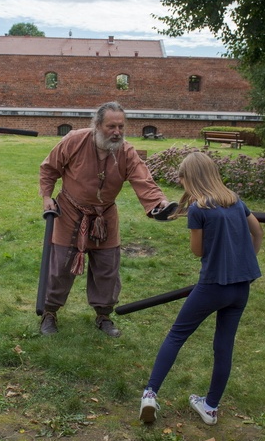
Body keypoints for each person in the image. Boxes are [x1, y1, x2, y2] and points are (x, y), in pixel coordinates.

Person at [139, 151, 263, 426]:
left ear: (190, 179)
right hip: (241, 289)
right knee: (224, 346)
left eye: (181, 180)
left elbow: (197, 251)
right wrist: (246, 262)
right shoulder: (235, 201)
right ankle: (211, 407)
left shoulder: (198, 209)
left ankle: (150, 393)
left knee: (176, 335)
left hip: (212, 287)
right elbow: (258, 232)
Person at [38, 101, 171, 337]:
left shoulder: (126, 151)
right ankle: (49, 313)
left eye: (121, 126)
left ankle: (103, 316)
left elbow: (143, 179)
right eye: (111, 126)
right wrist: (47, 196)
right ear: (98, 125)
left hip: (105, 216)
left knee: (107, 268)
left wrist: (158, 203)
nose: (117, 132)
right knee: (60, 267)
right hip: (69, 212)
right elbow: (49, 168)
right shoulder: (74, 140)